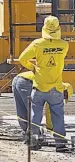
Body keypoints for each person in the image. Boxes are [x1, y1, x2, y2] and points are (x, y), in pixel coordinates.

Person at [19, 16, 69, 152]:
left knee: (35, 115)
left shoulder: (37, 44)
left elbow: (22, 59)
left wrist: (33, 67)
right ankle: (61, 145)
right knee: (58, 115)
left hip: (39, 86)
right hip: (56, 87)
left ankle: (32, 142)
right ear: (58, 28)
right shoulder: (64, 45)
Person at [12, 71, 72, 140]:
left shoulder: (54, 83)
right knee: (33, 112)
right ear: (65, 90)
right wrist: (50, 128)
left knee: (22, 110)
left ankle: (28, 134)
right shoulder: (55, 88)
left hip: (17, 79)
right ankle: (34, 138)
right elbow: (49, 110)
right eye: (65, 96)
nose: (63, 98)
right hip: (27, 82)